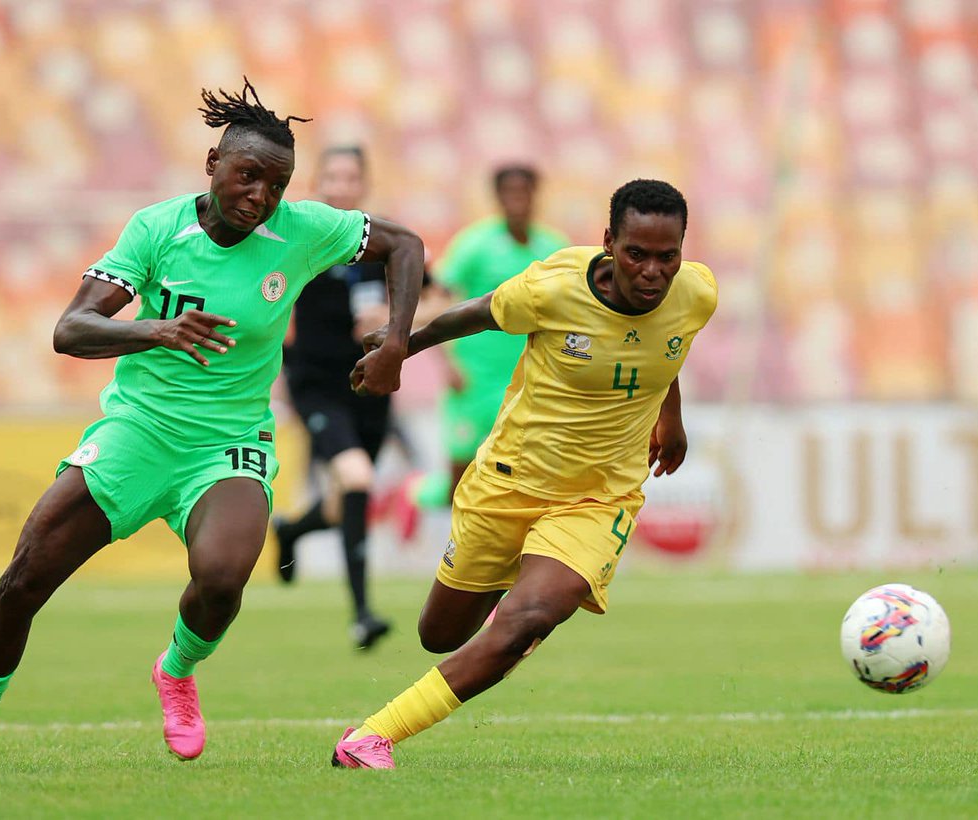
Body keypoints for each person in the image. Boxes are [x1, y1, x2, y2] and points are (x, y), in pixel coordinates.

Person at [0, 79, 425, 777]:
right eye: (248, 175)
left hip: (227, 443)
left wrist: (396, 339)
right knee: (23, 582)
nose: (260, 196)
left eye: (277, 184)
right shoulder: (157, 230)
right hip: (137, 434)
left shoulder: (301, 231)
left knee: (223, 581)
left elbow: (404, 244)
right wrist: (157, 329)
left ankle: (176, 670)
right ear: (212, 162)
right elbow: (71, 329)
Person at [333, 179, 716, 769]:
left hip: (598, 496)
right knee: (439, 634)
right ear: (609, 242)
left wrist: (672, 418)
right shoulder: (555, 286)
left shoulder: (697, 294)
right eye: (637, 254)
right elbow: (475, 314)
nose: (653, 272)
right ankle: (510, 611)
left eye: (669, 257)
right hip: (506, 483)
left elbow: (670, 345)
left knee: (529, 619)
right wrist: (400, 346)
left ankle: (372, 736)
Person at [275, 145, 446, 650]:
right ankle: (363, 614)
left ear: (363, 184)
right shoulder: (299, 237)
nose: (342, 186)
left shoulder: (384, 242)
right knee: (357, 477)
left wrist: (397, 322)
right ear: (318, 185)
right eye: (332, 177)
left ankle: (290, 531)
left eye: (351, 177)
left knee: (345, 497)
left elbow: (436, 294)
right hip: (316, 384)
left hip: (369, 386)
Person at [411, 166, 566, 508]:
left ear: (535, 195)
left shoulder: (553, 248)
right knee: (459, 471)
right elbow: (438, 302)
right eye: (509, 192)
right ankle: (417, 496)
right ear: (497, 197)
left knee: (521, 470)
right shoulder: (474, 245)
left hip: (528, 375)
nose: (517, 200)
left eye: (523, 192)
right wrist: (446, 361)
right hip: (474, 375)